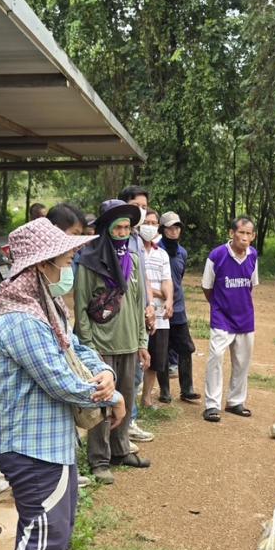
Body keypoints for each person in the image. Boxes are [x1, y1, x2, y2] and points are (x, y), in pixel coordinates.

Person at [0, 219, 124, 550]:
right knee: (42, 526)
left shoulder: (46, 306)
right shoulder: (20, 320)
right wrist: (108, 397)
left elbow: (74, 346)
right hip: (30, 444)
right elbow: (58, 378)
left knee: (57, 524)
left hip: (50, 439)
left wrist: (103, 371)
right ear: (41, 265)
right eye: (63, 256)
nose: (70, 260)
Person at [73, 199, 149, 484]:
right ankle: (99, 459)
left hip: (129, 342)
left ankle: (121, 450)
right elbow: (81, 308)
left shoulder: (134, 259)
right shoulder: (90, 263)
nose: (123, 232)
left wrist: (142, 341)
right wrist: (88, 346)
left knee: (126, 400)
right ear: (106, 230)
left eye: (127, 227)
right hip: (101, 346)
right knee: (103, 404)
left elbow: (140, 301)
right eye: (117, 227)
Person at [201, 217, 259, 422]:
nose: (244, 237)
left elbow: (251, 285)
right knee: (216, 356)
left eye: (248, 234)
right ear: (231, 233)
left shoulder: (253, 255)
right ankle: (211, 405)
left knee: (242, 361)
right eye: (241, 233)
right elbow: (207, 287)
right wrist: (218, 306)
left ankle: (235, 401)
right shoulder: (217, 255)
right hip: (221, 316)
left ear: (253, 236)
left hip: (245, 317)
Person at [118, 185, 156, 443]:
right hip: (123, 318)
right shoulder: (118, 238)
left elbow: (142, 279)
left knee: (138, 370)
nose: (141, 212)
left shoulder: (138, 239)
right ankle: (123, 424)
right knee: (126, 374)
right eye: (137, 206)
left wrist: (150, 305)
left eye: (145, 206)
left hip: (141, 312)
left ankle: (130, 420)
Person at [159, 210, 200, 403]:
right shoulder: (156, 251)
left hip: (179, 309)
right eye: (170, 228)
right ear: (162, 229)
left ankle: (187, 389)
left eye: (177, 227)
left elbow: (178, 278)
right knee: (162, 350)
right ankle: (164, 391)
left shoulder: (182, 253)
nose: (174, 231)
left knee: (186, 348)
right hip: (160, 309)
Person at [139, 209, 173, 407]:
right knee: (137, 355)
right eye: (147, 222)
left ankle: (146, 397)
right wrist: (157, 292)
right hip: (140, 312)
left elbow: (167, 280)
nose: (150, 226)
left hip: (160, 316)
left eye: (154, 223)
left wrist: (168, 300)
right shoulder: (132, 250)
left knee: (156, 358)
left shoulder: (162, 254)